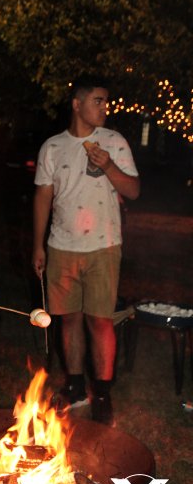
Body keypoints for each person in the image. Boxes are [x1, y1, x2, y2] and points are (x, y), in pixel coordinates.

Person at [32, 74, 140, 426]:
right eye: (98, 101)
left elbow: (134, 191)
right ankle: (76, 386)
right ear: (77, 104)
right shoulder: (52, 147)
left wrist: (107, 164)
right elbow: (43, 196)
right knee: (68, 319)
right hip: (61, 245)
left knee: (100, 320)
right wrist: (37, 245)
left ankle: (103, 393)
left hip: (103, 245)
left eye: (106, 101)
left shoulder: (114, 141)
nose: (105, 107)